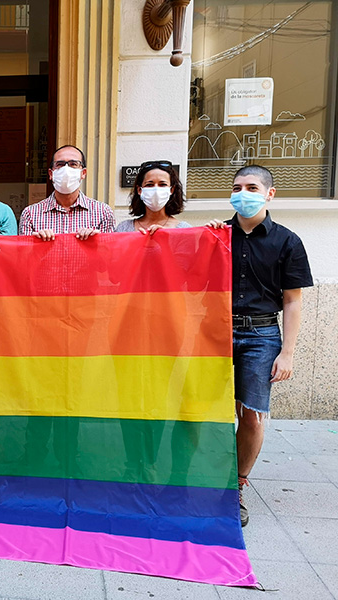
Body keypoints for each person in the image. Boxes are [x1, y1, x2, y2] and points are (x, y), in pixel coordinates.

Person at [206, 165, 312, 527]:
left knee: (250, 412)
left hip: (262, 334)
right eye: (237, 187)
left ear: (270, 193)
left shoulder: (287, 241)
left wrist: (288, 352)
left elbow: (292, 301)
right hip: (215, 332)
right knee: (205, 409)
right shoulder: (216, 235)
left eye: (252, 187)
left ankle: (234, 487)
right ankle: (204, 480)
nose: (243, 193)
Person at [19, 145, 115, 241]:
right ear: (51, 174)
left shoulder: (103, 213)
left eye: (73, 164)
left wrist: (94, 241)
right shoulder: (30, 214)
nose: (66, 170)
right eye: (60, 164)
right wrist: (38, 243)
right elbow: (24, 254)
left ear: (83, 173)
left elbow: (109, 253)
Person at [116, 160, 191, 233]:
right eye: (149, 185)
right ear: (139, 190)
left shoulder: (184, 230)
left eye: (162, 184)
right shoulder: (124, 228)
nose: (156, 189)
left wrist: (168, 238)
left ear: (171, 190)